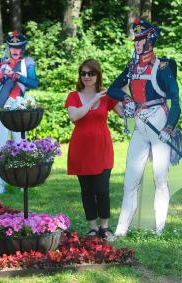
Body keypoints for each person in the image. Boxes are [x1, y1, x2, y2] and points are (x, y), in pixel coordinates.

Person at [108, 18, 181, 236]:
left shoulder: (164, 67)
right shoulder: (131, 66)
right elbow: (113, 89)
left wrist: (169, 128)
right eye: (136, 39)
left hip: (159, 122)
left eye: (141, 38)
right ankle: (121, 231)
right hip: (140, 126)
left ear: (151, 39)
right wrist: (127, 99)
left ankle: (159, 230)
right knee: (130, 180)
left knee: (160, 179)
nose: (137, 43)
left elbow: (176, 100)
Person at [65, 59, 122, 240]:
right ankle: (92, 228)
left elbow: (124, 114)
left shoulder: (107, 96)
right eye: (83, 73)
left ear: (98, 75)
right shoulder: (74, 96)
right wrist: (93, 100)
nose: (87, 77)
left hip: (102, 148)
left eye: (91, 73)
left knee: (102, 189)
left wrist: (128, 95)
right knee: (87, 190)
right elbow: (74, 116)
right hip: (81, 150)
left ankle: (105, 227)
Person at [0, 31, 38, 194]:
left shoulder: (27, 63)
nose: (15, 50)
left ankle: (23, 183)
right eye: (12, 47)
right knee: (1, 148)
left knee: (20, 146)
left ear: (23, 47)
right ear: (8, 47)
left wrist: (17, 77)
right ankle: (1, 186)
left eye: (18, 47)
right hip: (1, 110)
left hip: (18, 110)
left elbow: (34, 83)